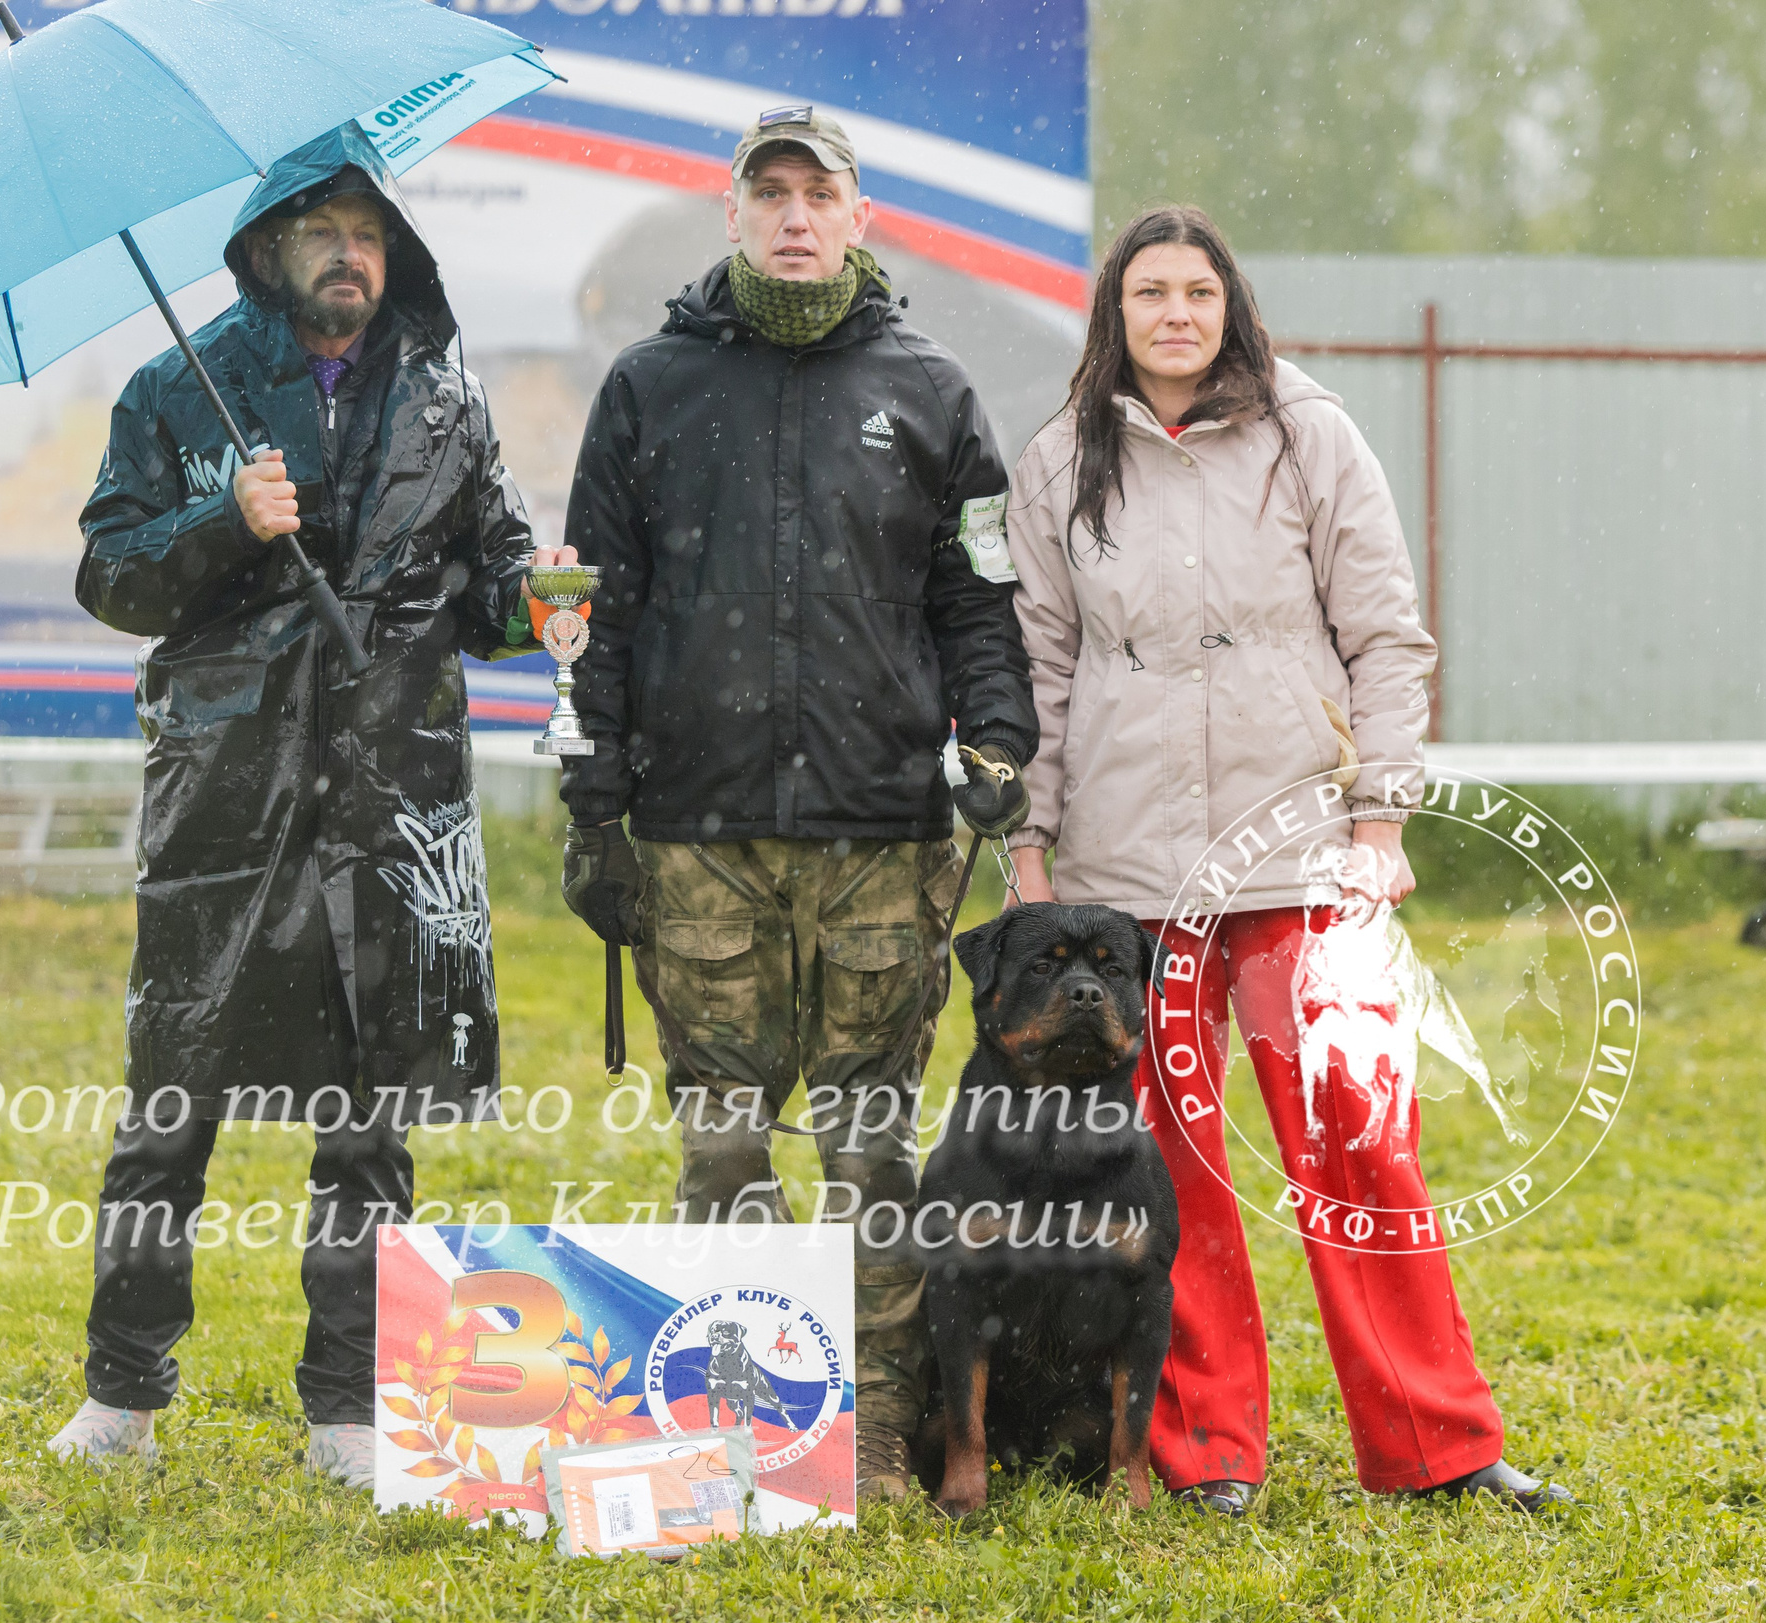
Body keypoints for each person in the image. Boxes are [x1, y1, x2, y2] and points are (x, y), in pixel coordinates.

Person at [1001, 205, 1569, 1515]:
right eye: (1152, 293)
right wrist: (1031, 848)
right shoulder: (1058, 461)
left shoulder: (1313, 434)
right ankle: (1206, 1451)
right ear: (1116, 314)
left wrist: (1380, 824)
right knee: (1169, 1166)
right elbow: (1037, 668)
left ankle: (1438, 1444)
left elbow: (1386, 638)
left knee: (1364, 1147)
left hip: (1303, 856)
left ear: (1232, 304)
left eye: (1200, 290)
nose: (1178, 314)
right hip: (1127, 873)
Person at [46, 125, 576, 1485]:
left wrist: (540, 598)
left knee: (371, 1117)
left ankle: (346, 1404)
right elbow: (111, 575)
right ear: (266, 249)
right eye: (323, 231)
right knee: (171, 1106)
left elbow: (489, 587)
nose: (351, 253)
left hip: (390, 798)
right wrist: (225, 521)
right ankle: (123, 1393)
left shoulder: (450, 403)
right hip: (225, 804)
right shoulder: (180, 389)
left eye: (370, 232)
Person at [555, 107, 1038, 1502]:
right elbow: (600, 610)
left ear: (859, 214)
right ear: (731, 215)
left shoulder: (935, 390)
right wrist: (596, 807)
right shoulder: (648, 387)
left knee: (872, 1147)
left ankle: (873, 1426)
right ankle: (732, 1424)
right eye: (766, 192)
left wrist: (995, 743)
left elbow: (978, 604)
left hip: (885, 836)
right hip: (697, 836)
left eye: (815, 191)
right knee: (721, 1146)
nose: (792, 215)